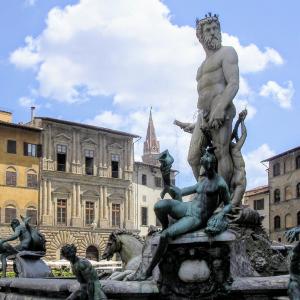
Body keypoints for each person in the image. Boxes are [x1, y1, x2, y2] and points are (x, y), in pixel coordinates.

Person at [139, 147, 232, 280]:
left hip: (197, 217)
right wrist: (166, 179)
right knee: (159, 205)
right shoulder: (202, 182)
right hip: (187, 207)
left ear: (212, 164)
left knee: (165, 236)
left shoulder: (220, 183)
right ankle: (166, 226)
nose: (204, 168)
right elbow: (179, 192)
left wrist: (220, 214)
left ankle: (149, 270)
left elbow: (229, 204)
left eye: (205, 165)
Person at [187, 13, 239, 185]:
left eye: (216, 28)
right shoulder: (200, 67)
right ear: (200, 36)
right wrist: (194, 124)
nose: (213, 32)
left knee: (221, 152)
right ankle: (205, 196)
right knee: (193, 158)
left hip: (221, 108)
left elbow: (233, 84)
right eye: (208, 29)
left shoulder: (227, 52)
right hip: (203, 115)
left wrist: (220, 107)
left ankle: (222, 202)